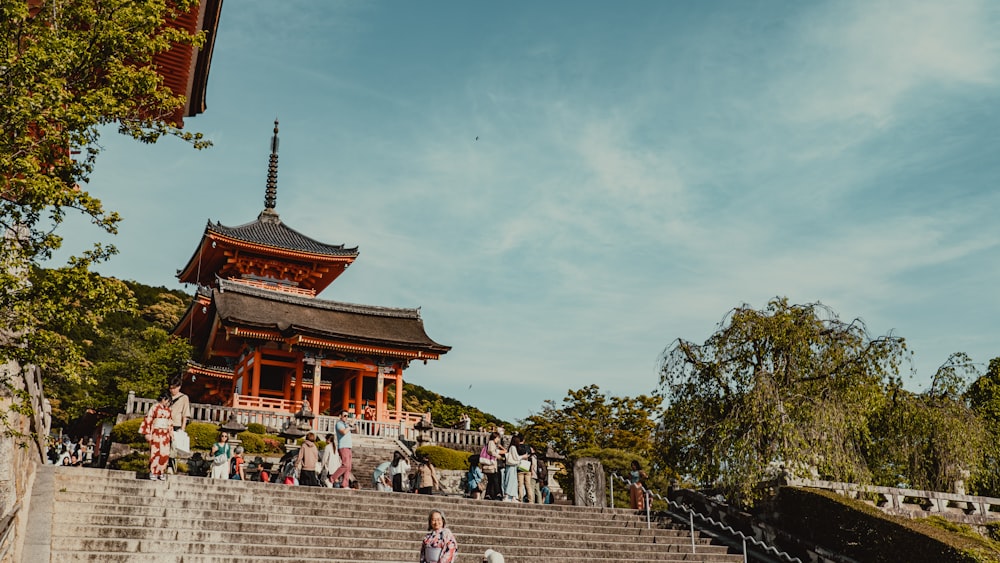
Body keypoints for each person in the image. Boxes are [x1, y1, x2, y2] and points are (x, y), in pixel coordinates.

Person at [139, 392, 173, 480]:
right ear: (164, 399)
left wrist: (171, 433)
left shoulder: (168, 410)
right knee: (155, 452)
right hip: (156, 433)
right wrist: (147, 433)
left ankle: (161, 471)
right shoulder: (154, 408)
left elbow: (170, 423)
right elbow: (148, 419)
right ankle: (153, 471)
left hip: (165, 434)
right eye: (168, 401)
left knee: (165, 453)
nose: (168, 403)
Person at [329, 411, 354, 488]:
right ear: (340, 416)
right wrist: (349, 426)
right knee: (345, 465)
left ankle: (345, 484)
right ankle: (332, 478)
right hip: (343, 446)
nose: (346, 417)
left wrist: (354, 423)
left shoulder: (346, 425)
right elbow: (343, 432)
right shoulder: (339, 424)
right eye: (345, 416)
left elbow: (357, 431)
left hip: (349, 447)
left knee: (349, 467)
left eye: (347, 416)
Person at [480, 431, 505, 500]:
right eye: (498, 438)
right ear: (495, 437)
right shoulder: (491, 442)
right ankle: (498, 494)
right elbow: (490, 451)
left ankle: (487, 494)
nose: (498, 439)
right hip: (491, 465)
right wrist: (498, 456)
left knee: (490, 480)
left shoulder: (490, 443)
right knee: (495, 479)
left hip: (489, 465)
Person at [502, 435, 522, 502]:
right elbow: (516, 457)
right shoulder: (513, 447)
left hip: (513, 466)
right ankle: (507, 496)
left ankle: (513, 497)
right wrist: (523, 456)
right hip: (511, 466)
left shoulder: (512, 447)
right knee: (510, 481)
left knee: (513, 482)